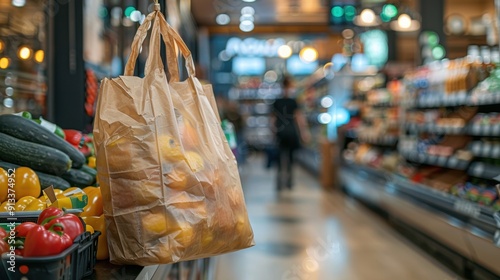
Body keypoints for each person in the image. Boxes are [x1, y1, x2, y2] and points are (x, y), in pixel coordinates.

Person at [271, 76, 311, 191]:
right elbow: (299, 118)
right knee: (291, 157)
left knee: (280, 156)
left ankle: (279, 180)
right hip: (291, 131)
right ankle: (289, 180)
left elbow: (272, 119)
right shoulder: (293, 101)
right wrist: (304, 132)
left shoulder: (277, 101)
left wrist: (273, 132)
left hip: (280, 131)